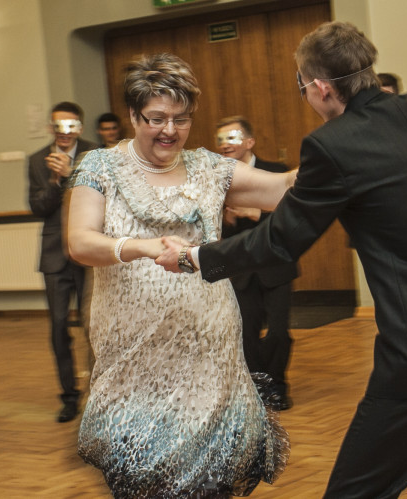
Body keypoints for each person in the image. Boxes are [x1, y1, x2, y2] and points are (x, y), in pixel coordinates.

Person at [157, 21, 407, 498]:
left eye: (301, 86)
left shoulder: (332, 145)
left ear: (320, 88)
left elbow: (278, 242)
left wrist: (193, 257)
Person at [66, 53, 292, 497]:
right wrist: (140, 247)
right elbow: (80, 242)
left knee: (210, 483)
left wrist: (340, 149)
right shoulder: (99, 168)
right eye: (157, 118)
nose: (170, 130)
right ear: (133, 115)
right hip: (135, 360)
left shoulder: (210, 168)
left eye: (182, 119)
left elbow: (283, 189)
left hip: (210, 352)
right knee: (143, 479)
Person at [216, 116, 298, 411]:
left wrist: (256, 213)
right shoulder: (218, 180)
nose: (225, 144)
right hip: (241, 270)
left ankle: (278, 385)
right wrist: (224, 221)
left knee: (278, 332)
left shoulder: (275, 172)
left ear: (249, 142)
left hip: (276, 266)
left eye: (232, 137)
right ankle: (260, 386)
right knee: (246, 334)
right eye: (220, 139)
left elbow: (293, 216)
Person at [27, 101, 98, 423]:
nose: (64, 132)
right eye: (58, 126)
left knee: (93, 326)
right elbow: (37, 207)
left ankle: (99, 393)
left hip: (89, 253)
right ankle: (69, 397)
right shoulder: (37, 160)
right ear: (50, 128)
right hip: (55, 256)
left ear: (79, 128)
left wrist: (72, 176)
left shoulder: (95, 154)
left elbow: (105, 197)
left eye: (71, 126)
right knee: (58, 327)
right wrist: (56, 181)